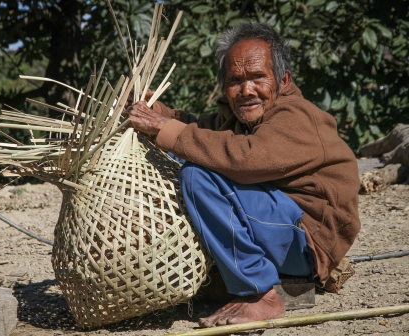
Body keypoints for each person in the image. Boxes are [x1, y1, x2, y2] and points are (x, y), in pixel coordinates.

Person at [125, 22, 361, 327]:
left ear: (283, 79)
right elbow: (202, 129)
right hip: (282, 236)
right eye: (235, 80)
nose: (246, 90)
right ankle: (266, 283)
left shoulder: (295, 115)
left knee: (198, 176)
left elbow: (245, 159)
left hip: (307, 242)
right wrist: (159, 112)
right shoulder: (241, 117)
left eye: (257, 77)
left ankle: (259, 292)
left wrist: (163, 128)